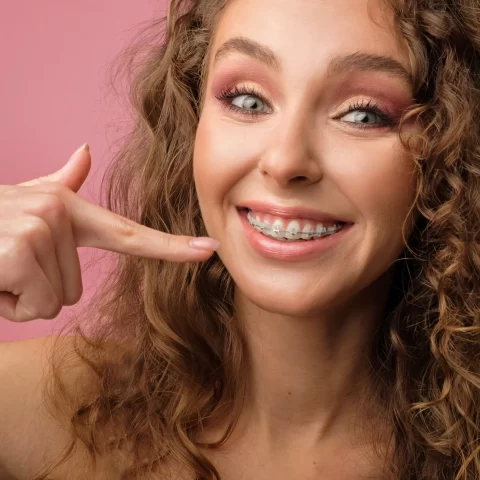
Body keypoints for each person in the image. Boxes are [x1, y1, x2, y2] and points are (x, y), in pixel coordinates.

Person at [0, 0, 479, 478]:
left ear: (451, 151)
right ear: (192, 125)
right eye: (248, 101)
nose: (287, 160)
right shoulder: (28, 411)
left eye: (363, 115)